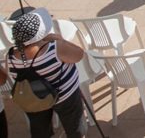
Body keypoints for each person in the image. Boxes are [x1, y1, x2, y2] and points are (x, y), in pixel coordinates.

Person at [6, 9, 86, 137]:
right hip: (65, 97)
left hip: (34, 100)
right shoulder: (55, 48)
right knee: (74, 128)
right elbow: (79, 54)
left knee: (40, 131)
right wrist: (59, 39)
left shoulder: (10, 56)